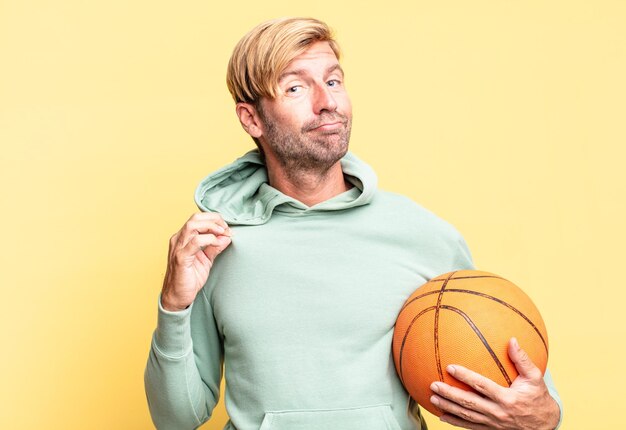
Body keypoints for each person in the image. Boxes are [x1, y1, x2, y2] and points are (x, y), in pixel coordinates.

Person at [144, 17, 563, 430]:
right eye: (295, 88)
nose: (327, 102)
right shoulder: (213, 244)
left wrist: (546, 414)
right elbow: (176, 419)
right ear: (252, 119)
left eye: (333, 81)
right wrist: (173, 303)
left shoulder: (421, 232)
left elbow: (519, 379)